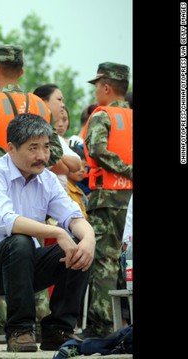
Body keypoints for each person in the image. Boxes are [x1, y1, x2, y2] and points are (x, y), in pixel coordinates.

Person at [0, 113, 95, 352]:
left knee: (79, 247)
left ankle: (58, 330)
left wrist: (89, 239)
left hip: (24, 266)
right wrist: (57, 232)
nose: (42, 156)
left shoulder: (48, 179)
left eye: (45, 147)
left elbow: (73, 216)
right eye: (33, 148)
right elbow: (7, 221)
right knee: (20, 240)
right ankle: (20, 330)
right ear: (11, 148)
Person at [81, 62, 132, 339]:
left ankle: (100, 327)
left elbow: (96, 149)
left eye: (97, 87)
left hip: (108, 199)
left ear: (106, 87)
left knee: (104, 263)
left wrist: (126, 169)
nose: (96, 93)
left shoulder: (103, 116)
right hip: (131, 198)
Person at [0, 44, 62, 170]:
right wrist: (32, 164)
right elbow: (56, 151)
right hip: (33, 183)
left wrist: (15, 163)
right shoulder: (41, 105)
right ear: (21, 72)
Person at [33, 84, 82, 189]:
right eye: (59, 100)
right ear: (43, 102)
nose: (63, 105)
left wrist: (59, 157)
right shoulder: (34, 130)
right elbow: (57, 166)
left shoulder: (53, 133)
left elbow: (77, 164)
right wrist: (66, 167)